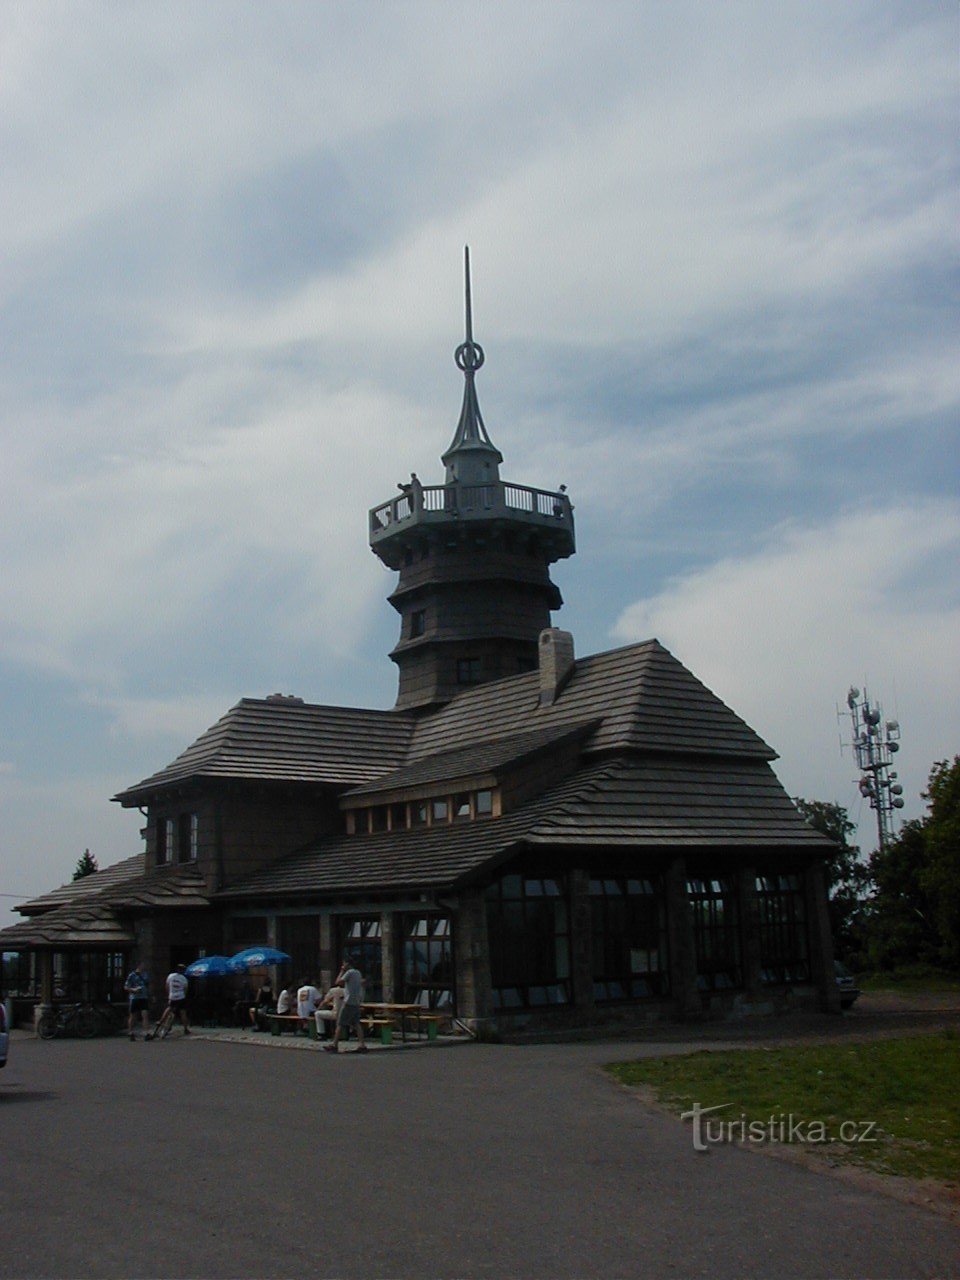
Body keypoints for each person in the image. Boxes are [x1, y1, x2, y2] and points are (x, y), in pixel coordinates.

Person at [323, 958, 366, 1054]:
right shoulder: (358, 973)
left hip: (348, 1001)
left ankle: (335, 1044)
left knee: (340, 1023)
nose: (343, 965)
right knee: (356, 1023)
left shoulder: (349, 972)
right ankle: (362, 1044)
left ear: (348, 964)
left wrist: (342, 971)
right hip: (356, 1002)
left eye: (344, 963)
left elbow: (338, 982)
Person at [124, 962, 150, 1041]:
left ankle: (146, 1033)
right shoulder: (132, 975)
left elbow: (147, 985)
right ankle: (131, 1032)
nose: (143, 967)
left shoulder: (146, 975)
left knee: (145, 1015)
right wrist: (133, 990)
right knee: (133, 1016)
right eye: (142, 965)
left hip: (143, 997)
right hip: (134, 997)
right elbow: (126, 987)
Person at [164, 963, 191, 1035]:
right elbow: (185, 990)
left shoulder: (171, 976)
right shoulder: (184, 979)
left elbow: (167, 986)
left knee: (169, 1008)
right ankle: (185, 1029)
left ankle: (161, 1021)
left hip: (172, 996)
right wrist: (183, 996)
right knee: (183, 1013)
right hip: (180, 997)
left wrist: (169, 995)